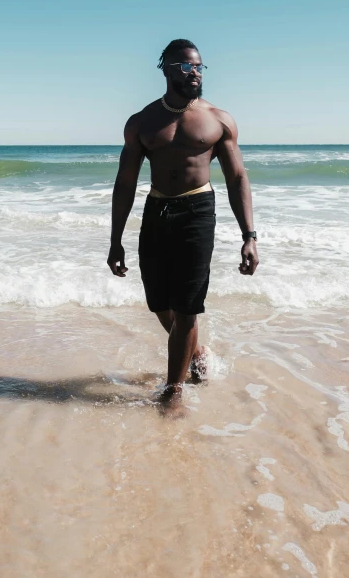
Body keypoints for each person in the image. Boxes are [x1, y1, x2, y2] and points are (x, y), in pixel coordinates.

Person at [107, 39, 258, 414]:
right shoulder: (142, 122)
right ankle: (196, 351)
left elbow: (237, 176)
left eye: (199, 67)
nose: (195, 73)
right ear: (167, 69)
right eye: (187, 67)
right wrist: (115, 241)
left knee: (187, 306)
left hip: (197, 211)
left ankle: (173, 391)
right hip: (157, 210)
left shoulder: (218, 119)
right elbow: (125, 182)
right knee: (158, 303)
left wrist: (249, 236)